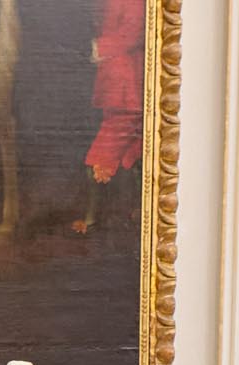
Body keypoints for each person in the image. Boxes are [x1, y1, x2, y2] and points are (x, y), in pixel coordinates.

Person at [78, 0, 145, 234]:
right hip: (115, 88)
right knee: (131, 157)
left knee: (100, 158)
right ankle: (136, 213)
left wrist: (100, 47)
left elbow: (133, 32)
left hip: (127, 89)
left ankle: (91, 220)